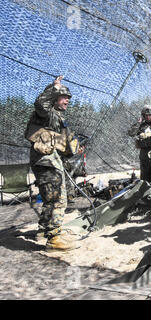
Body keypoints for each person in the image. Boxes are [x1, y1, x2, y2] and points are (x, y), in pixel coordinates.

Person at [24, 75, 81, 251]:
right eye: (64, 98)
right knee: (57, 199)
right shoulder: (46, 113)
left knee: (51, 199)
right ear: (55, 98)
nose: (67, 101)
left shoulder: (57, 119)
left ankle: (43, 231)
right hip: (46, 162)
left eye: (68, 99)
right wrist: (54, 87)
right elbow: (41, 103)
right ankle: (54, 239)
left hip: (52, 161)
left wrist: (74, 148)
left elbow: (65, 145)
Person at [128, 104, 151, 184]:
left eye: (150, 115)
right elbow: (131, 133)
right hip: (144, 157)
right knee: (145, 183)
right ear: (143, 116)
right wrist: (138, 123)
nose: (148, 117)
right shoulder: (141, 125)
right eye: (146, 115)